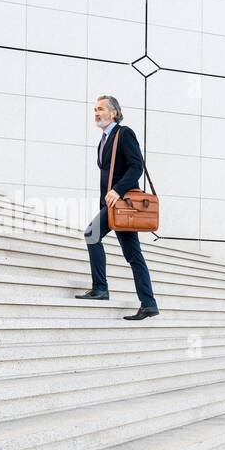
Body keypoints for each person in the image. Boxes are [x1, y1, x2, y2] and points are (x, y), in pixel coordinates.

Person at [75, 95, 159, 320]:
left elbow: (136, 166)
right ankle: (149, 303)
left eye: (101, 109)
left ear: (113, 112)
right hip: (113, 204)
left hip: (122, 203)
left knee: (92, 234)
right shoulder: (104, 139)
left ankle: (100, 289)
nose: (96, 113)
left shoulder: (124, 133)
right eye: (94, 109)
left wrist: (118, 190)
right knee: (133, 255)